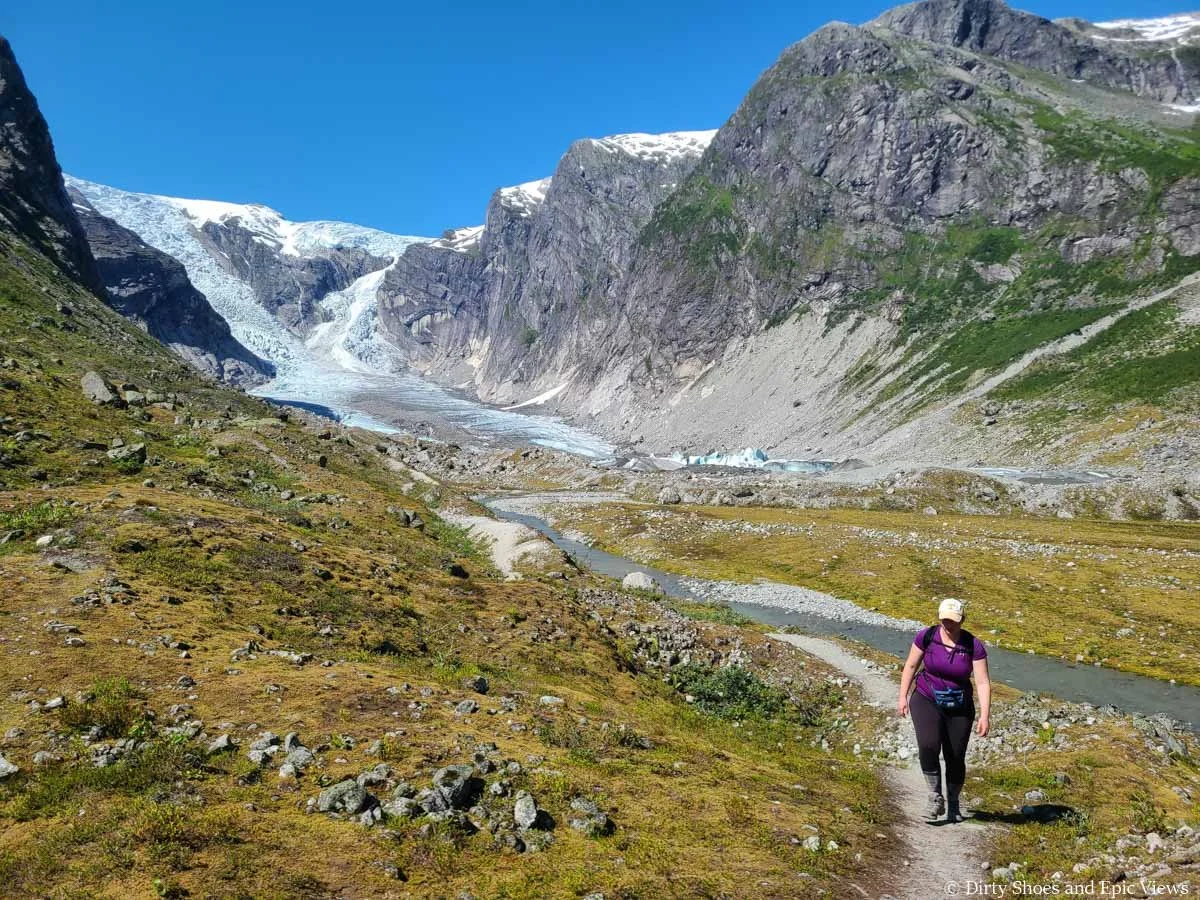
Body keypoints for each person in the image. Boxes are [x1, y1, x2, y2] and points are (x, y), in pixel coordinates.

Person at [896, 597, 991, 823]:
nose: (949, 625)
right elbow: (910, 665)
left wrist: (985, 715)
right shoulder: (926, 637)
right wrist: (903, 696)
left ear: (962, 620)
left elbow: (983, 682)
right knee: (928, 745)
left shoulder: (973, 645)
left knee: (955, 756)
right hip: (926, 697)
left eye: (954, 621)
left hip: (959, 704)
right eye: (945, 620)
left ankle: (954, 803)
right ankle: (934, 797)